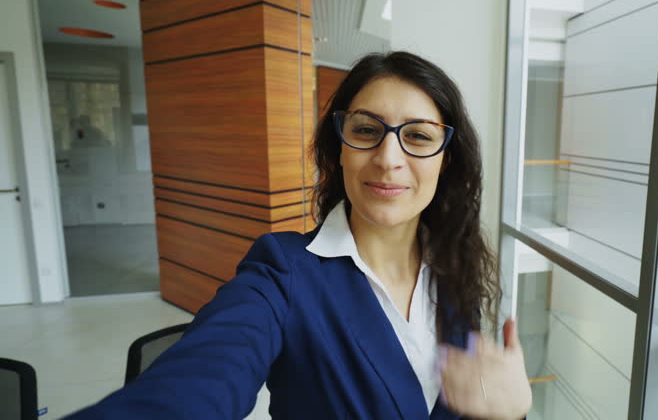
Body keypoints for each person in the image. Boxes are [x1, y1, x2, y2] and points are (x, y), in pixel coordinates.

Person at [65, 51, 532, 419]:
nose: (389, 158)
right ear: (339, 150)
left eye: (419, 137)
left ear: (445, 159)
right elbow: (198, 383)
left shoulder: (454, 269)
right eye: (367, 130)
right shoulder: (281, 273)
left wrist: (508, 415)